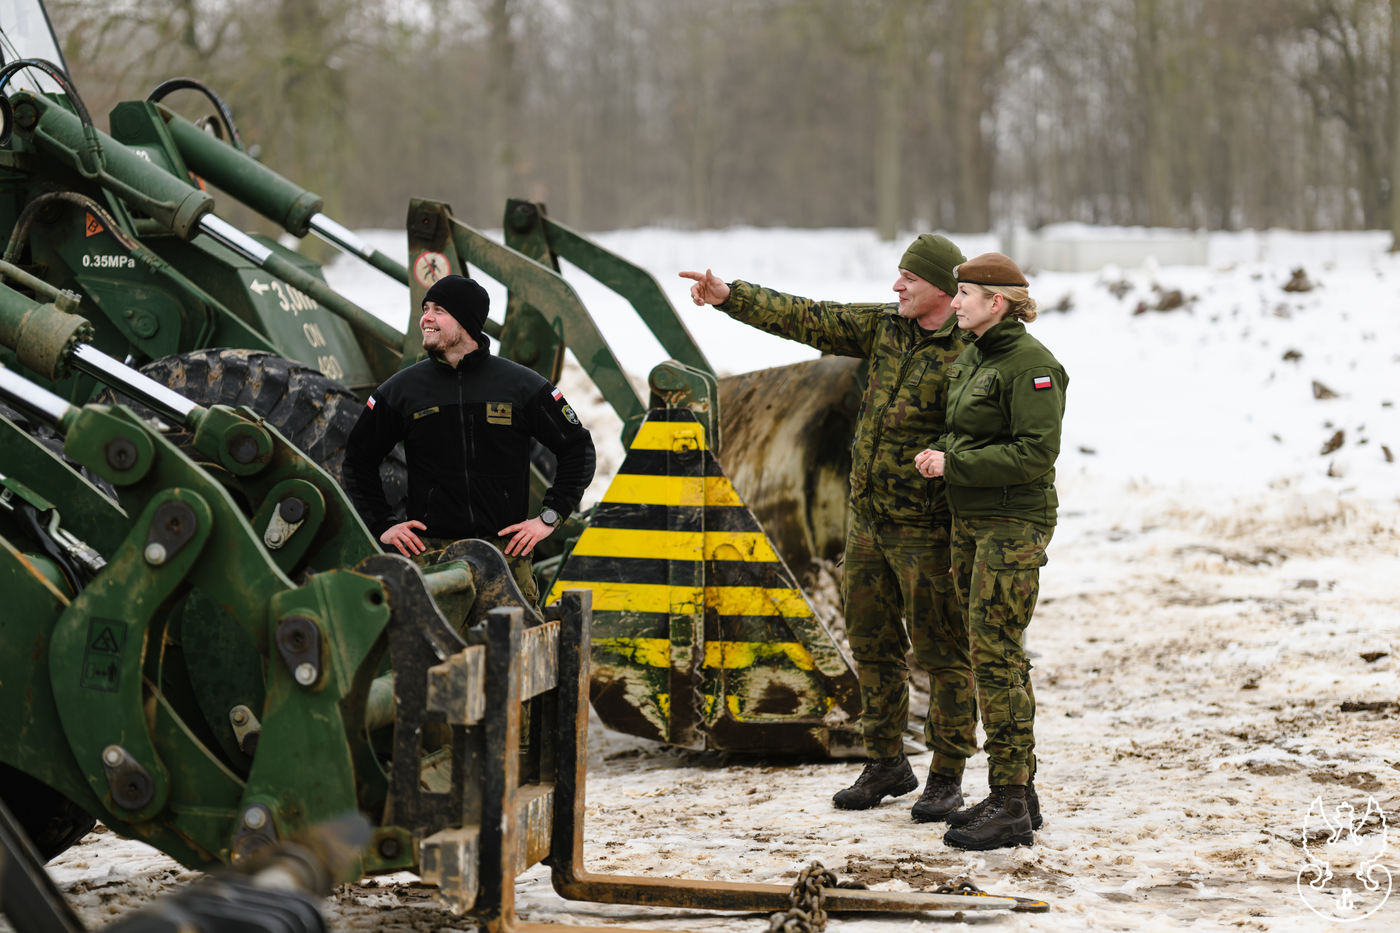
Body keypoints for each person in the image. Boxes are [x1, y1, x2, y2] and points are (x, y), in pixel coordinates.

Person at [681, 234, 978, 820]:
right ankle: (887, 760)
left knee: (943, 653)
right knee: (872, 645)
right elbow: (808, 318)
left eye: (909, 280)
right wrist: (730, 295)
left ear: (943, 289)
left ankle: (947, 776)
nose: (897, 287)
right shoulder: (885, 326)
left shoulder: (974, 347)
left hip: (931, 528)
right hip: (867, 523)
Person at [914, 252, 1067, 850]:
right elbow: (972, 429)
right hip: (973, 522)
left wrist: (956, 462)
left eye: (965, 295)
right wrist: (943, 452)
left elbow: (1035, 454)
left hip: (1012, 523)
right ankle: (1019, 792)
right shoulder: (977, 355)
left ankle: (1009, 803)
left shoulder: (1033, 366)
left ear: (995, 302)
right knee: (989, 651)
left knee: (996, 653)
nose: (954, 303)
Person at [343, 274, 595, 603]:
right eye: (425, 309)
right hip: (431, 558)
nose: (426, 318)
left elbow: (578, 448)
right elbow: (358, 459)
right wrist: (382, 523)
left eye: (439, 310)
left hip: (507, 555)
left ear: (466, 321)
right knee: (433, 654)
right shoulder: (400, 391)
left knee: (515, 650)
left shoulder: (521, 385)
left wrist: (550, 517)